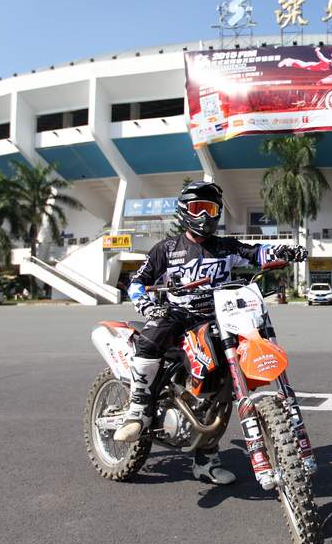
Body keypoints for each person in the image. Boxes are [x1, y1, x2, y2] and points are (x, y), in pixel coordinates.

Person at [117, 181, 307, 485]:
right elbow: (137, 281)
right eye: (197, 208)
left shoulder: (226, 246)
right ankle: (138, 410)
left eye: (211, 208)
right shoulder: (166, 249)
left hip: (219, 317)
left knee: (222, 387)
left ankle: (206, 460)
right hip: (177, 314)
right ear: (184, 212)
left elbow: (257, 253)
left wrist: (285, 251)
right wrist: (147, 306)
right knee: (150, 339)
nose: (205, 215)